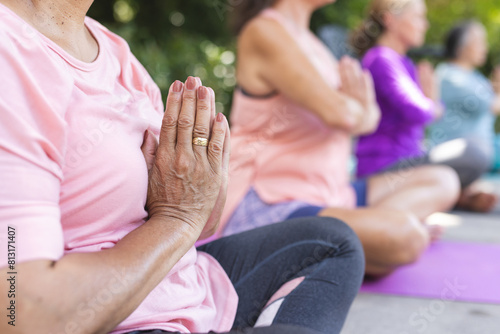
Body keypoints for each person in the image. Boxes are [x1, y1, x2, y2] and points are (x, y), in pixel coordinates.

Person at [0, 1, 366, 333]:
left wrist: (203, 185)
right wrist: (177, 219)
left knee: (331, 243)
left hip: (180, 285)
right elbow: (23, 313)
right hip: (119, 319)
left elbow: (201, 223)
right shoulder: (10, 52)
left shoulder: (111, 48)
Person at [216, 0, 460, 277]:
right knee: (407, 236)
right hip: (273, 202)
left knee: (444, 180)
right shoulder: (263, 30)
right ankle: (359, 248)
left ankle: (345, 249)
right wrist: (362, 111)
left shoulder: (311, 41)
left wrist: (361, 113)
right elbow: (343, 115)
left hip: (332, 195)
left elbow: (364, 117)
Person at [352, 0, 497, 212]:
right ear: (390, 19)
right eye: (418, 17)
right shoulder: (381, 59)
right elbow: (418, 110)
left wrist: (431, 104)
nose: (425, 25)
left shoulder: (404, 63)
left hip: (408, 159)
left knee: (474, 154)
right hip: (383, 167)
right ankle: (455, 196)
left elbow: (423, 114)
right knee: (475, 152)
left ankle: (457, 195)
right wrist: (433, 103)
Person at [430, 21, 500, 172]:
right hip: (462, 154)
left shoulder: (473, 76)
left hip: (484, 149)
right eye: (480, 42)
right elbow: (489, 104)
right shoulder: (449, 76)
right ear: (462, 47)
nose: (485, 48)